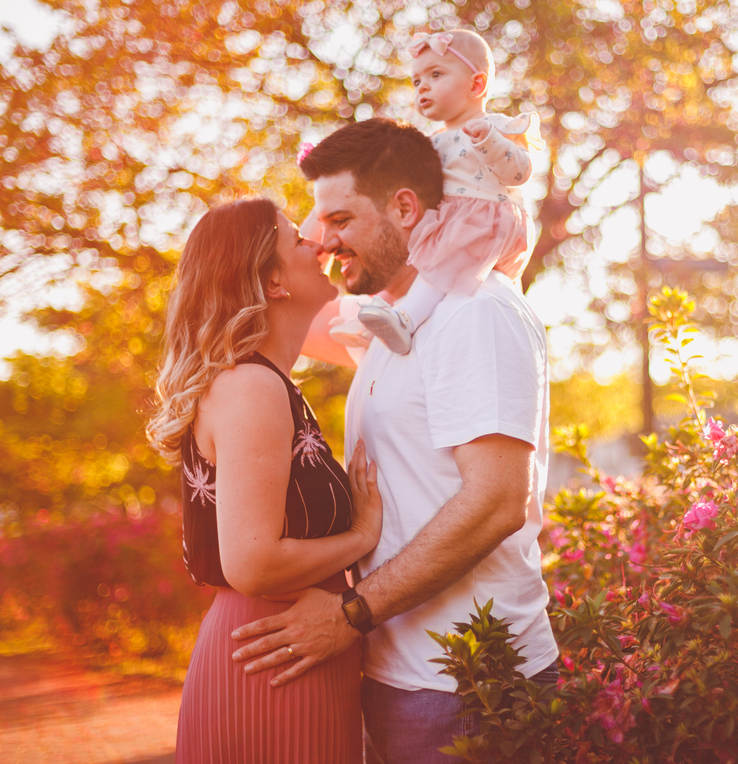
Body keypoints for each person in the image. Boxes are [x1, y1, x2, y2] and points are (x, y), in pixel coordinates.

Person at [231, 118, 558, 764]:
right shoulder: (388, 325)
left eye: (343, 219)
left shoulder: (476, 312)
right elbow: (273, 311)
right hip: (395, 675)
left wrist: (350, 613)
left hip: (468, 685)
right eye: (320, 224)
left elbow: (496, 500)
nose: (326, 239)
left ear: (405, 207)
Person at [147, 198, 384, 764]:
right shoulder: (251, 386)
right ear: (273, 280)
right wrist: (362, 536)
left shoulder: (264, 380)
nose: (317, 244)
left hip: (288, 650)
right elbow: (251, 564)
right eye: (296, 240)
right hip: (273, 661)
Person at [328, 29, 542, 356]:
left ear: (477, 85)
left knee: (434, 262)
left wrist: (489, 141)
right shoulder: (431, 141)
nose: (423, 86)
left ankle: (405, 319)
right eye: (416, 82)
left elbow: (519, 172)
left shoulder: (497, 125)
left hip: (487, 218)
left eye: (436, 74)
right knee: (409, 258)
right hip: (451, 221)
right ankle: (372, 317)